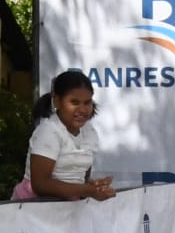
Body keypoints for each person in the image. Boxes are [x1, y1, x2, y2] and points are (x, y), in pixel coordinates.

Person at [12, 70, 115, 202]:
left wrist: (94, 186)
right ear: (57, 101)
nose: (82, 109)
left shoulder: (89, 133)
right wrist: (87, 190)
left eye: (87, 102)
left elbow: (79, 178)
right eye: (74, 102)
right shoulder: (49, 131)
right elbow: (40, 185)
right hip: (33, 212)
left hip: (67, 210)